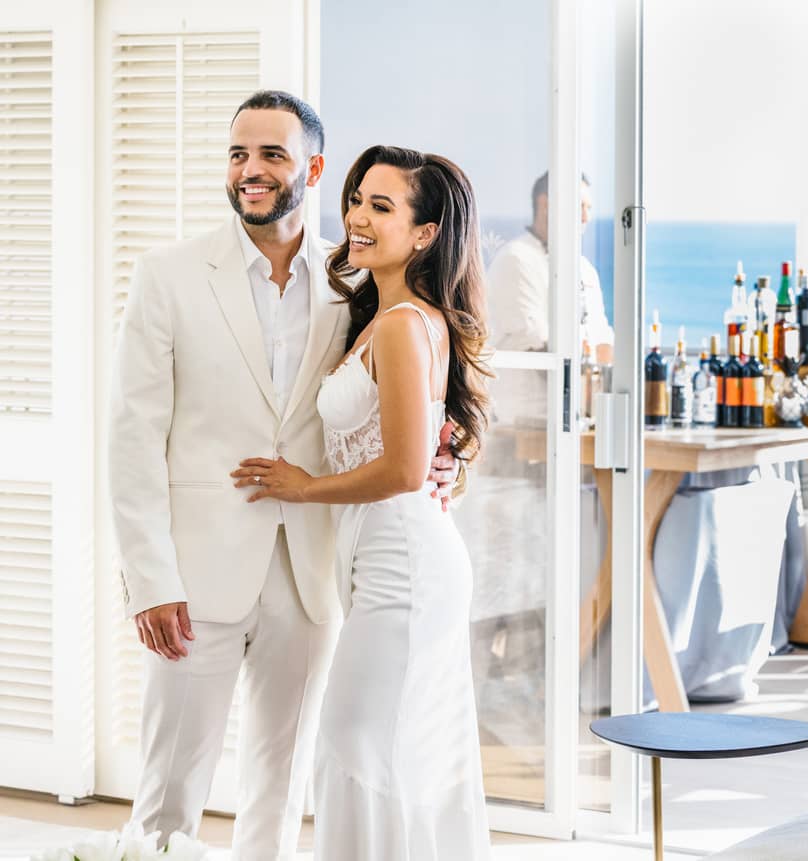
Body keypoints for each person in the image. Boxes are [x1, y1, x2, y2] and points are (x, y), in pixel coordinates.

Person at [109, 91, 460, 857]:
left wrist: (445, 451)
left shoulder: (356, 284)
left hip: (312, 571)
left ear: (314, 167)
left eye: (272, 153)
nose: (251, 170)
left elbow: (413, 384)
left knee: (285, 784)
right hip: (193, 576)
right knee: (170, 789)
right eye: (238, 153)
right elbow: (132, 436)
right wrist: (149, 577)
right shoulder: (168, 276)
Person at [230, 145, 494, 858]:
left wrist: (302, 486)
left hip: (404, 565)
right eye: (355, 200)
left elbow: (408, 468)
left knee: (356, 744)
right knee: (388, 752)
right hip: (384, 558)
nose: (358, 217)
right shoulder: (385, 317)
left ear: (426, 234)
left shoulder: (406, 326)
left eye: (382, 206)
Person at [487, 170, 613, 359]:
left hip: (578, 387)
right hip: (531, 388)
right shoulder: (516, 260)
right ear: (546, 205)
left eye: (589, 208)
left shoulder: (585, 269)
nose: (586, 218)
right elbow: (540, 348)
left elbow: (603, 338)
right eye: (579, 206)